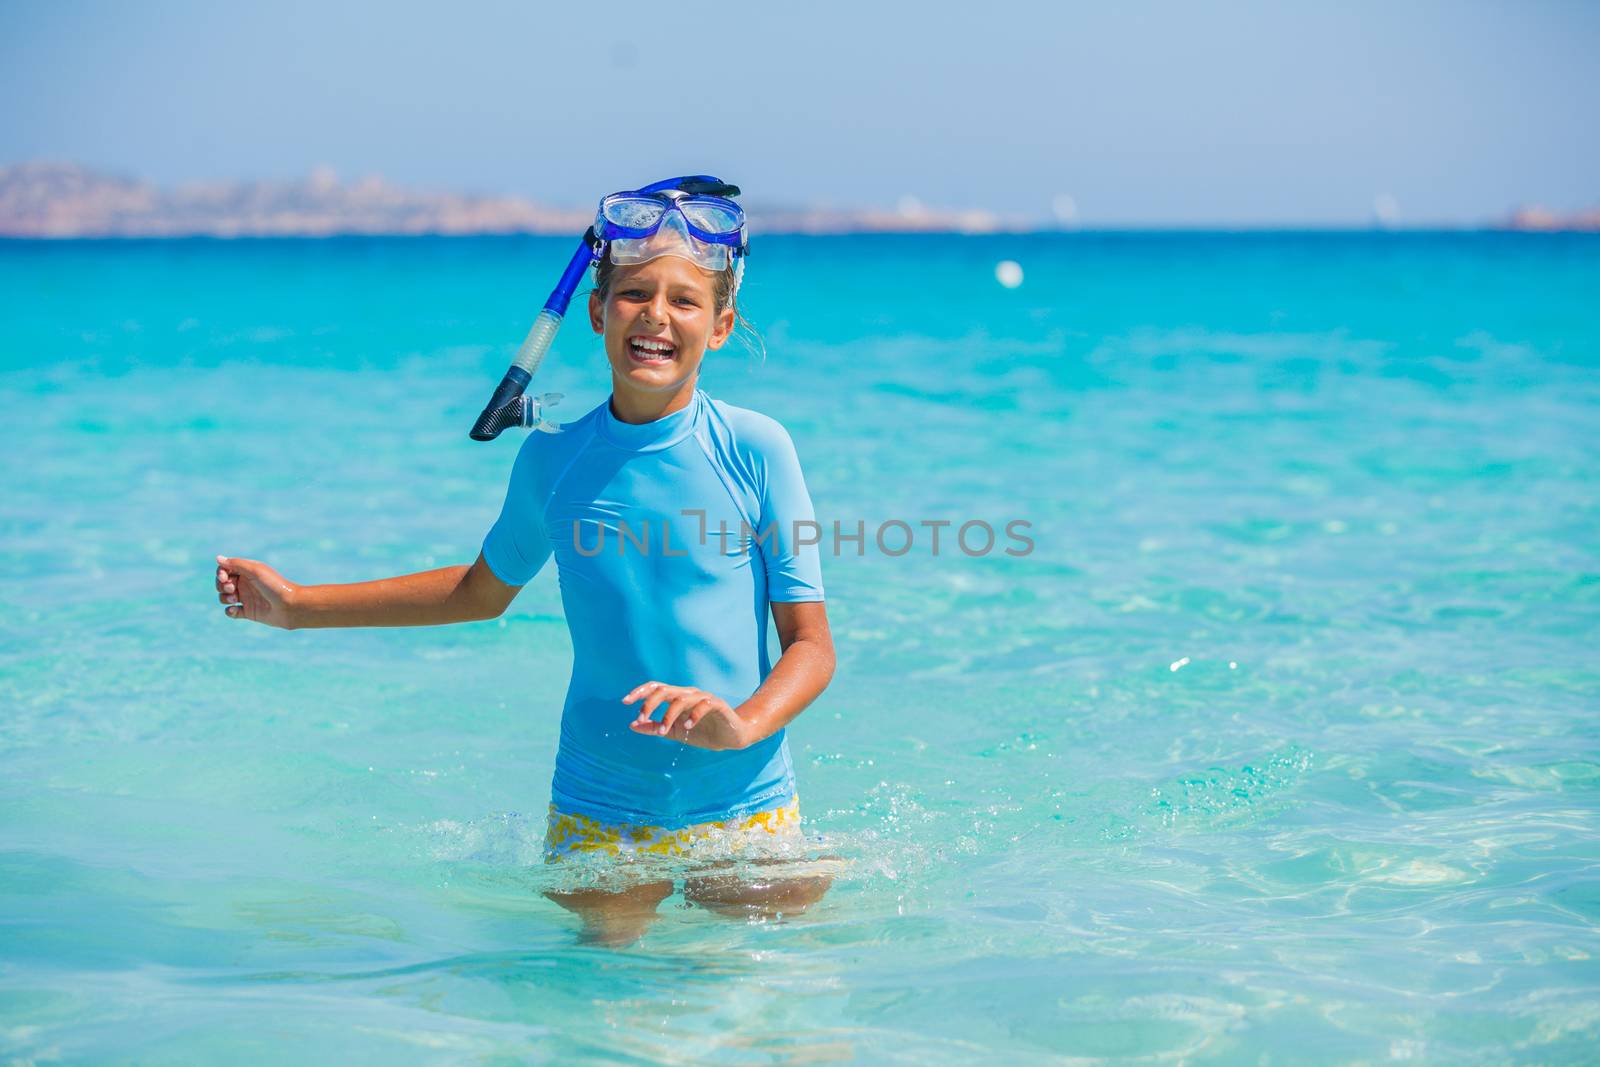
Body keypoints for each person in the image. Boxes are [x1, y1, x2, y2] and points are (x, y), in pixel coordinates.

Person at [214, 178, 837, 945]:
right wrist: (298, 606)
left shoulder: (758, 449)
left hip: (745, 797)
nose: (656, 314)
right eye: (637, 292)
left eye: (684, 300)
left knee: (767, 998)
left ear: (719, 326)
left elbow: (811, 644)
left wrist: (740, 725)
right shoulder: (554, 461)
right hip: (601, 807)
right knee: (609, 1005)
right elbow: (478, 591)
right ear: (597, 310)